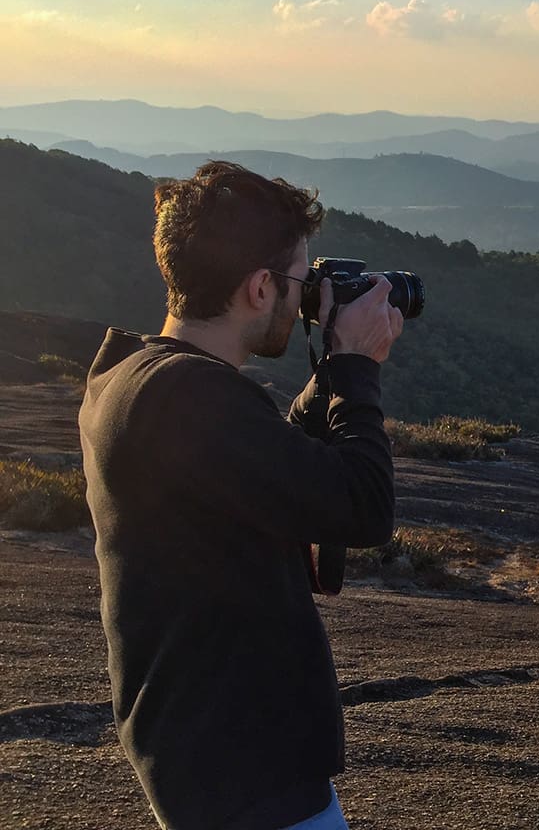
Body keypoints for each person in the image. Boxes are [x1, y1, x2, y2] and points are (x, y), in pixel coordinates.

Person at [78, 161, 404, 830]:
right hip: (248, 781)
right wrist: (356, 367)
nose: (305, 298)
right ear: (259, 287)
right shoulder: (185, 396)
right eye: (299, 282)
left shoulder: (135, 375)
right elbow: (363, 506)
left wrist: (328, 377)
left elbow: (262, 467)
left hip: (209, 765)